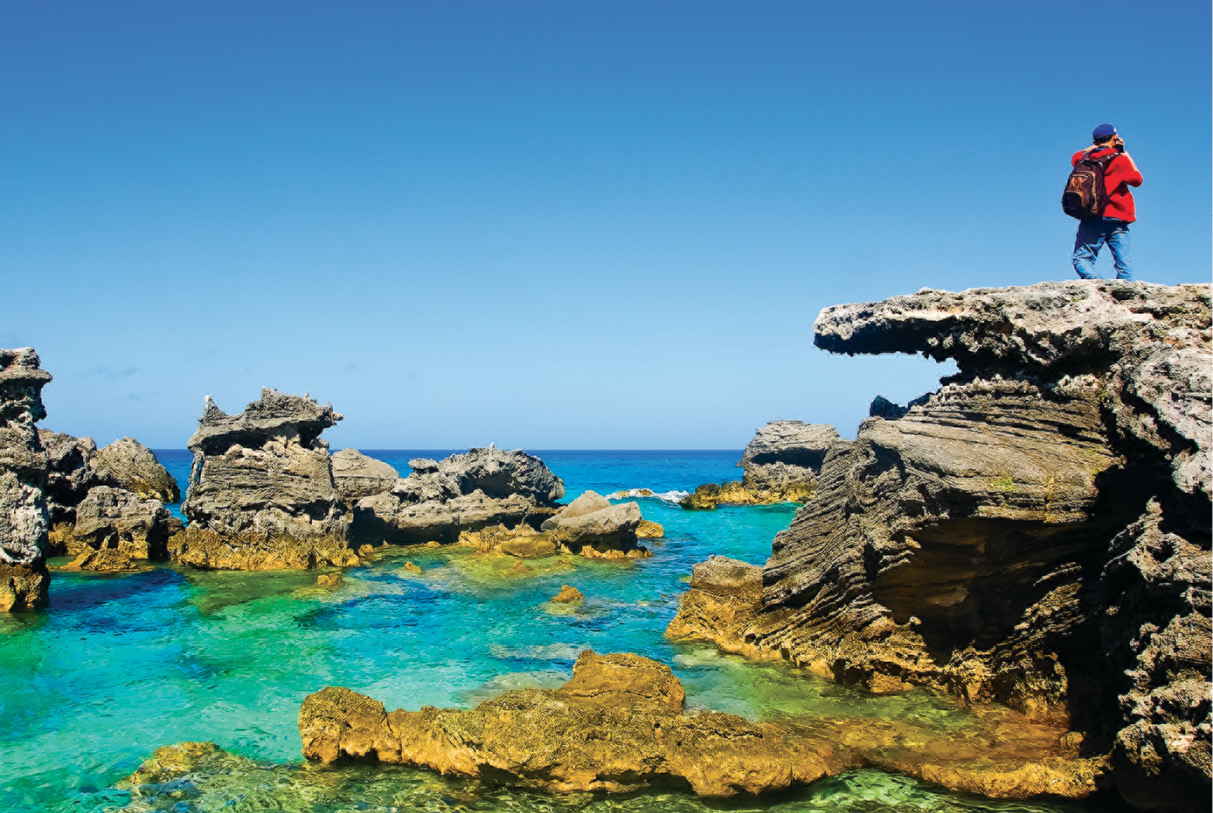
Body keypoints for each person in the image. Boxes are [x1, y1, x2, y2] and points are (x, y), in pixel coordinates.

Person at [1070, 123, 1143, 280]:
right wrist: (1123, 152)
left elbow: (1076, 155)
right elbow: (1137, 179)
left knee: (1082, 259)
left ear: (1095, 141)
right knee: (1123, 263)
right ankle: (1125, 295)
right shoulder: (1120, 160)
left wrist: (1096, 145)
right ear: (1115, 138)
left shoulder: (1083, 159)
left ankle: (1098, 286)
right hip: (1117, 216)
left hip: (1091, 215)